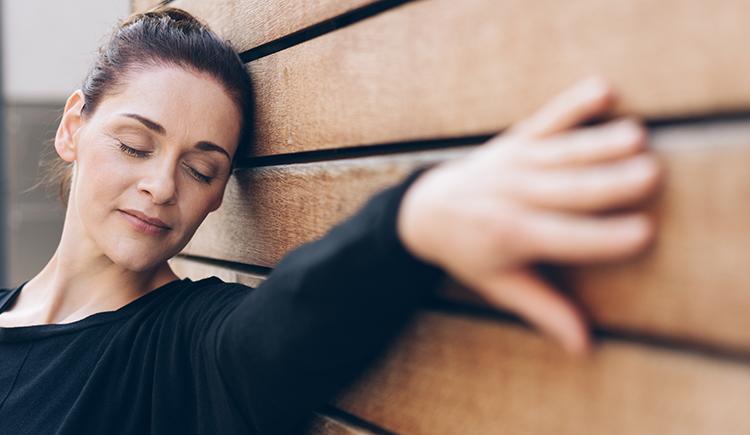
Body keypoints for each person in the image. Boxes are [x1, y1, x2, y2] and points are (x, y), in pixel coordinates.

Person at [0, 7, 661, 435]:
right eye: (135, 144)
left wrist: (414, 220)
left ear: (218, 196)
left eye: (202, 170)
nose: (161, 184)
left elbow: (285, 322)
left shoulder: (192, 347)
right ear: (71, 128)